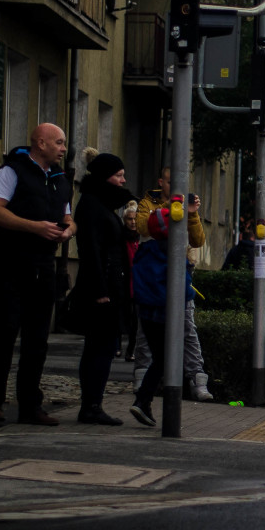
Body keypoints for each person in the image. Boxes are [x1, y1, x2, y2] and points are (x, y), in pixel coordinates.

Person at [0, 123, 75, 426]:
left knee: (37, 340)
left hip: (43, 266)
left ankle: (30, 405)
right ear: (41, 142)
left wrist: (69, 230)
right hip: (8, 264)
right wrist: (35, 226)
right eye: (59, 143)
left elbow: (67, 215)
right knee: (4, 336)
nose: (63, 148)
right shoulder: (13, 170)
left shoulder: (61, 179)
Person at [133, 167, 212, 401]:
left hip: (179, 269)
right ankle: (141, 378)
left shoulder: (185, 205)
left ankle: (197, 379)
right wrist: (175, 208)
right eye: (170, 182)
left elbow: (198, 239)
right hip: (153, 272)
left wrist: (193, 214)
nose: (175, 187)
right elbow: (146, 226)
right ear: (161, 182)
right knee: (146, 330)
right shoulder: (148, 202)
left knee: (187, 328)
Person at [70, 148, 136, 426]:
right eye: (118, 175)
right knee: (100, 347)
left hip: (110, 286)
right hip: (101, 289)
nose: (123, 181)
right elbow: (92, 251)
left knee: (104, 347)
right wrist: (100, 291)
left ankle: (93, 404)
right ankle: (91, 406)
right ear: (106, 176)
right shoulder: (92, 205)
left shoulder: (102, 204)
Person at [129, 208, 194, 426]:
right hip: (167, 313)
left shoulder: (145, 249)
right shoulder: (174, 253)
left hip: (146, 312)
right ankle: (144, 400)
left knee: (160, 357)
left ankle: (143, 401)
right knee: (167, 359)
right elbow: (183, 288)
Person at [121, 200, 140, 361]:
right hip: (123, 281)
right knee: (121, 315)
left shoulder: (141, 238)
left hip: (137, 283)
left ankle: (131, 349)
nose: (133, 222)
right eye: (129, 219)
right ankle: (116, 346)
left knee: (135, 320)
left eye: (135, 219)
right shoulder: (120, 238)